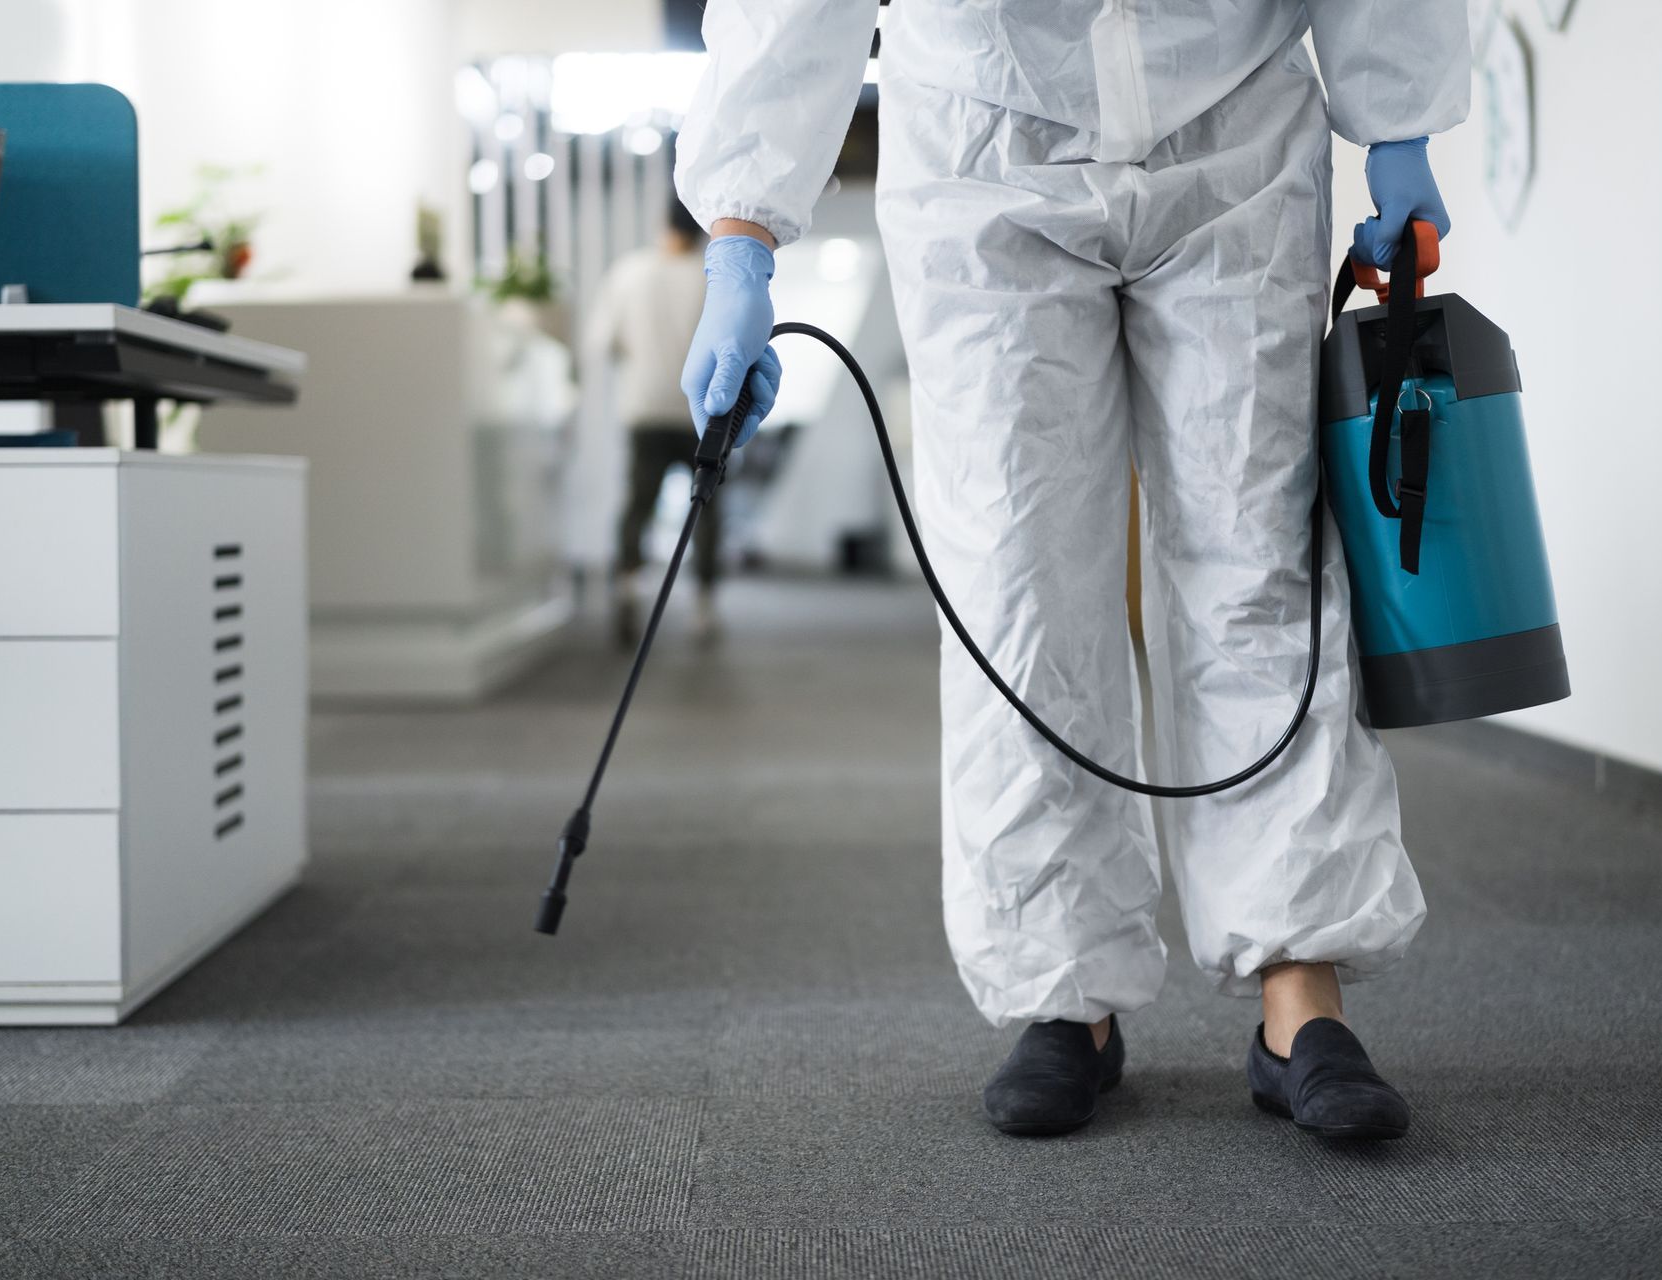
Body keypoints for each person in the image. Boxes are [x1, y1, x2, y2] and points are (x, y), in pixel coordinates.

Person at [675, 1, 1468, 1138]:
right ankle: (1064, 994)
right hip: (985, 133)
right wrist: (741, 236)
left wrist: (1398, 123)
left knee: (1261, 556)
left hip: (1231, 109)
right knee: (1020, 583)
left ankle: (1300, 989)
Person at [590, 199, 724, 646]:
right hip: (702, 413)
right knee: (707, 509)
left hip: (644, 407)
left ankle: (628, 589)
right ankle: (703, 607)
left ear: (661, 223)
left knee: (639, 506)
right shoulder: (711, 277)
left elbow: (605, 342)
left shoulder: (629, 273)